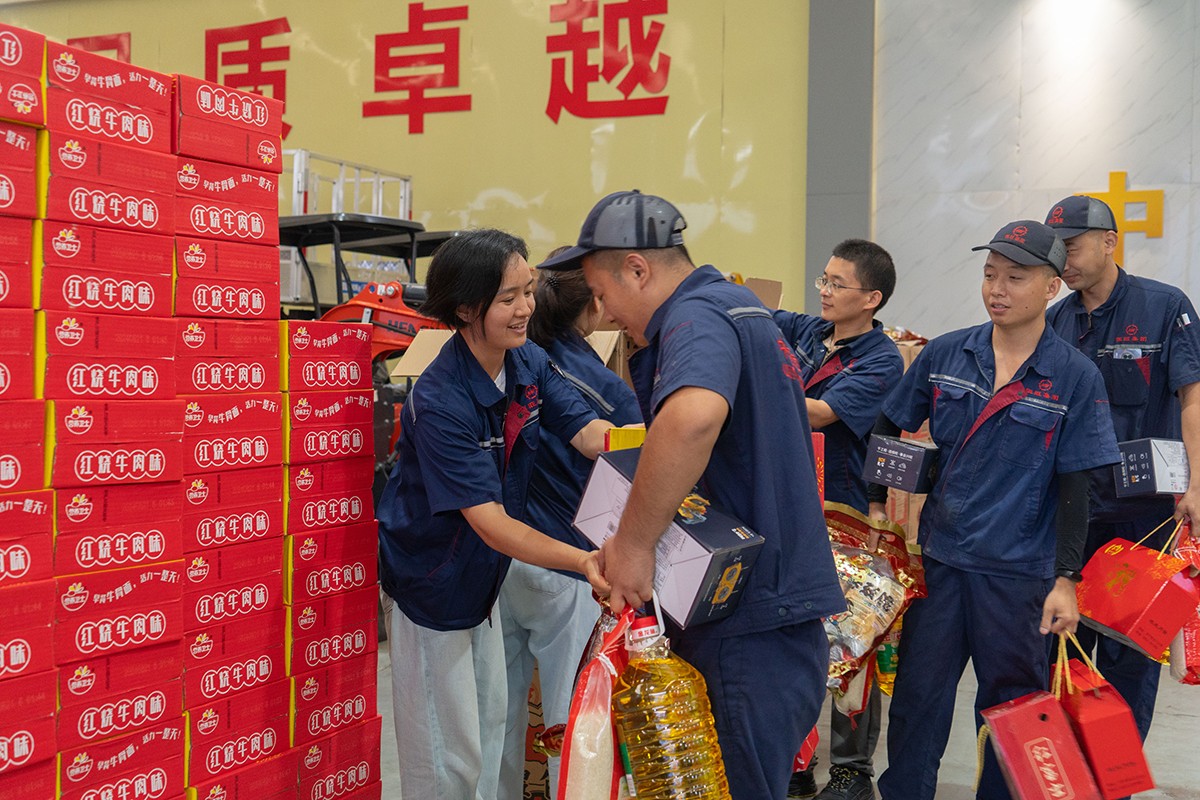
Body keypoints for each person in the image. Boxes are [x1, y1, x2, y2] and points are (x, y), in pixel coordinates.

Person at [540, 189, 846, 799]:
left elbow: (692, 418)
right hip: (769, 611)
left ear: (637, 269)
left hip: (745, 624)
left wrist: (633, 544)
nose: (604, 314)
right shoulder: (737, 306)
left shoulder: (695, 317)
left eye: (601, 293)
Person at [869, 220, 1121, 800]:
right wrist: (877, 503)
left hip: (1018, 576)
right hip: (940, 564)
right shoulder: (947, 353)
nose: (997, 290)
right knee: (917, 699)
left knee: (1012, 712)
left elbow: (1077, 486)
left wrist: (1066, 580)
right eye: (989, 275)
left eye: (1015, 277)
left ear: (1051, 287)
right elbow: (889, 421)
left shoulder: (1074, 376)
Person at [376, 228, 613, 800]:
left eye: (528, 291)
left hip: (485, 578)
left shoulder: (525, 360)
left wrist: (660, 444)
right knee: (446, 759)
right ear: (466, 308)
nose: (526, 307)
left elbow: (588, 434)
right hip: (433, 585)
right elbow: (491, 522)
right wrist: (586, 562)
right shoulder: (441, 400)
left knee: (486, 737)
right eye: (509, 298)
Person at [1044, 194, 1200, 743]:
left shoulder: (1164, 306)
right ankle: (1071, 768)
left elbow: (1192, 399)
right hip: (1073, 513)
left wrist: (1198, 484)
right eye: (1055, 249)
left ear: (1109, 241)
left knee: (1129, 653)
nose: (1062, 260)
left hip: (1143, 515)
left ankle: (1117, 771)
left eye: (1072, 246)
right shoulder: (1055, 320)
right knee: (1064, 648)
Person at [498, 253, 642, 800]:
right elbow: (618, 457)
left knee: (499, 716)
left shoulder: (507, 363)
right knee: (575, 720)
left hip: (501, 554)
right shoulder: (606, 386)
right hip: (573, 565)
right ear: (596, 304)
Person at [773, 239, 903, 800]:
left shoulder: (881, 360)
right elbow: (759, 316)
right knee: (793, 637)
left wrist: (757, 387)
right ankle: (797, 760)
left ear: (871, 298)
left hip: (844, 514)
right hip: (788, 505)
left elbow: (823, 412)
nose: (823, 291)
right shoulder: (809, 333)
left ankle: (852, 769)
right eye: (823, 279)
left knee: (851, 641)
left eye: (836, 284)